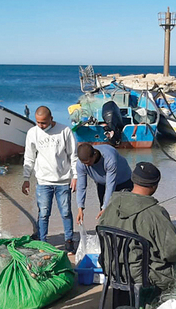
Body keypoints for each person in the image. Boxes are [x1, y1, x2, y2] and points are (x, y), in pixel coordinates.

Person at [98, 161, 176, 305]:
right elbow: (171, 253)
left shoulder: (111, 204)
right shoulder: (156, 213)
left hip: (113, 269)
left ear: (133, 179)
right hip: (141, 276)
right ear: (154, 186)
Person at [21, 106, 77, 252]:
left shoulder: (64, 131)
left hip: (63, 181)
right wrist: (26, 178)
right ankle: (43, 242)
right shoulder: (33, 133)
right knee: (44, 213)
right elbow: (29, 157)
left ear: (51, 119)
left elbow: (73, 155)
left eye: (44, 123)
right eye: (38, 122)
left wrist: (75, 176)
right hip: (43, 182)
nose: (41, 126)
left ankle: (69, 240)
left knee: (66, 212)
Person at [75, 143, 133, 225]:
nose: (87, 165)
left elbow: (110, 185)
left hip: (123, 181)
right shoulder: (81, 163)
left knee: (124, 211)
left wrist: (105, 207)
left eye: (89, 162)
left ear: (94, 155)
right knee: (104, 213)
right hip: (101, 183)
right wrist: (80, 208)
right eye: (85, 164)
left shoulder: (109, 158)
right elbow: (81, 186)